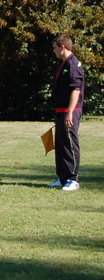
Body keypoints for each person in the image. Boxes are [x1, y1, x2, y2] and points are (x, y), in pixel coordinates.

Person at [49, 34, 84, 191]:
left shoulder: (73, 64)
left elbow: (76, 90)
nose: (54, 51)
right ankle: (62, 177)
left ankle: (72, 179)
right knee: (61, 144)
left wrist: (69, 112)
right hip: (61, 110)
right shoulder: (64, 63)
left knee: (69, 143)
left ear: (62, 47)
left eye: (55, 48)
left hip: (70, 111)